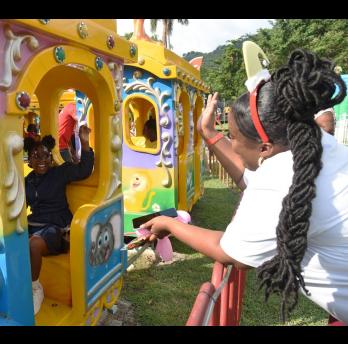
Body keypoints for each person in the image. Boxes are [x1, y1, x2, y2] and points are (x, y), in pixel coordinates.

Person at [141, 49, 348, 323]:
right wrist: (210, 133)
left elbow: (231, 253)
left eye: (233, 137)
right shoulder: (313, 142)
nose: (231, 143)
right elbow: (250, 179)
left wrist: (171, 225)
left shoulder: (279, 178)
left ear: (264, 147)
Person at [25, 125, 94, 315]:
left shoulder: (59, 173)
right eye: (36, 156)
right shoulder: (27, 181)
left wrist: (85, 142)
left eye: (46, 156)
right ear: (29, 160)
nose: (42, 160)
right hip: (35, 225)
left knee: (33, 246)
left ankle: (34, 288)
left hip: (58, 228)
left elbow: (84, 169)